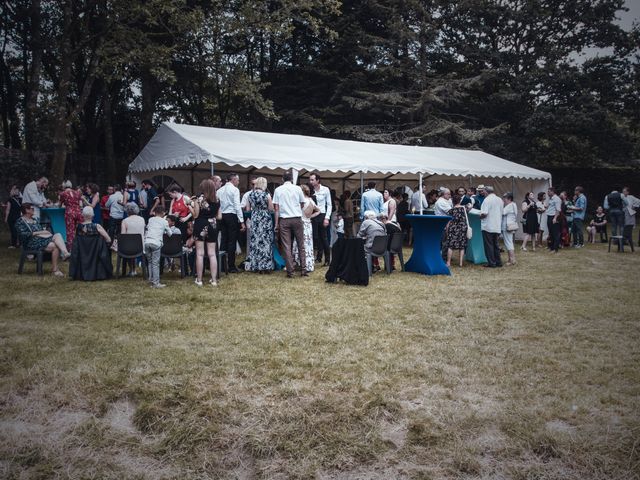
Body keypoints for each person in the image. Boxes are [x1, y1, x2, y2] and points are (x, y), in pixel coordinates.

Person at [15, 203, 70, 276]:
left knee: (58, 235)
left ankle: (65, 253)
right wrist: (38, 232)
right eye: (32, 208)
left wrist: (44, 233)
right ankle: (55, 270)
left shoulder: (34, 220)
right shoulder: (20, 221)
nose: (33, 210)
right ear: (26, 210)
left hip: (41, 240)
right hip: (31, 243)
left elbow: (41, 231)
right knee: (55, 246)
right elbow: (23, 235)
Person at [273, 171, 307, 278]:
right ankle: (303, 270)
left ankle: (290, 271)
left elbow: (276, 209)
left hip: (284, 220)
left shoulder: (278, 190)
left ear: (282, 179)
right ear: (292, 179)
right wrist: (296, 209)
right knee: (301, 245)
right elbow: (302, 203)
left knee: (287, 246)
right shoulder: (297, 189)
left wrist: (276, 223)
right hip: (297, 218)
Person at [192, 178, 221, 287]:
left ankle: (199, 280)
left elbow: (195, 215)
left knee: (200, 253)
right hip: (212, 226)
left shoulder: (199, 199)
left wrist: (191, 205)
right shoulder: (217, 199)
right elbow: (219, 216)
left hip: (200, 225)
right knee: (212, 254)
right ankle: (213, 280)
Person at [217, 173, 245, 273]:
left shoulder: (219, 190)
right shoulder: (234, 190)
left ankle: (221, 265)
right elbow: (237, 205)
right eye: (237, 180)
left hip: (222, 216)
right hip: (231, 215)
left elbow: (218, 205)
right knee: (232, 241)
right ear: (233, 180)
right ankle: (231, 266)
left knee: (223, 240)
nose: (238, 182)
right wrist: (241, 221)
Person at [246, 177, 274, 273]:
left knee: (255, 241)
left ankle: (255, 265)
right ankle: (265, 266)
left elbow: (248, 209)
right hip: (265, 219)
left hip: (255, 219)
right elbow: (271, 209)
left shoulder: (250, 195)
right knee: (266, 242)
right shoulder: (267, 195)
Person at [144, 205, 172, 288]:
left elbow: (148, 228)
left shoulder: (150, 219)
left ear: (154, 212)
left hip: (147, 242)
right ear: (163, 213)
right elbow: (170, 234)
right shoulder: (164, 221)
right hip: (156, 242)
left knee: (150, 262)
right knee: (155, 263)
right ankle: (156, 283)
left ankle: (151, 279)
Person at [294, 184, 319, 273]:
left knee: (298, 243)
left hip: (300, 223)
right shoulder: (311, 201)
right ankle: (307, 264)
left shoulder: (300, 201)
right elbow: (318, 211)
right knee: (307, 244)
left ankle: (298, 263)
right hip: (308, 224)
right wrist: (310, 216)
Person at [308, 173, 332, 265]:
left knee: (324, 238)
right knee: (316, 237)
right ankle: (318, 257)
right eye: (310, 180)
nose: (311, 181)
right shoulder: (310, 190)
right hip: (313, 215)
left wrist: (327, 218)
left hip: (322, 214)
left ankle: (327, 259)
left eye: (312, 180)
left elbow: (329, 204)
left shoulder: (325, 189)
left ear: (317, 180)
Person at [479, 185, 503, 267]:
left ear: (486, 191)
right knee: (495, 245)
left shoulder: (487, 200)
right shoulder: (499, 199)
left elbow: (484, 213)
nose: (483, 192)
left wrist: (479, 216)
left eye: (483, 191)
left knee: (489, 245)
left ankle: (491, 263)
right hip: (497, 225)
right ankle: (498, 262)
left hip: (488, 225)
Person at [121, 203, 146, 276]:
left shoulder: (125, 221)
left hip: (129, 247)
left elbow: (123, 235)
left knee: (128, 246)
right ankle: (133, 269)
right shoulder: (142, 219)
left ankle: (132, 270)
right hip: (141, 246)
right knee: (132, 246)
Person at [58, 180, 83, 250]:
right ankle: (81, 246)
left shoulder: (63, 193)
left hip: (70, 213)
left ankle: (71, 249)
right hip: (78, 212)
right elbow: (80, 204)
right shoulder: (77, 193)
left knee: (70, 232)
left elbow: (59, 205)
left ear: (64, 187)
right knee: (80, 230)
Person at [444, 193, 468, 267]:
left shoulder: (451, 210)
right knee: (462, 246)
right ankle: (460, 263)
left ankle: (448, 262)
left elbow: (448, 222)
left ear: (452, 201)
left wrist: (447, 230)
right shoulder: (464, 209)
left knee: (450, 246)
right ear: (460, 201)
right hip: (463, 228)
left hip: (453, 228)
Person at [501, 192, 518, 266]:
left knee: (508, 242)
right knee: (509, 242)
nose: (503, 200)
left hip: (507, 226)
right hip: (510, 225)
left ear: (509, 199)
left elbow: (502, 212)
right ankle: (510, 259)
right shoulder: (513, 204)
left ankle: (512, 260)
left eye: (505, 198)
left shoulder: (509, 205)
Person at [545, 187, 562, 253]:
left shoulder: (557, 199)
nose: (547, 193)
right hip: (549, 216)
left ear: (552, 192)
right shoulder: (550, 199)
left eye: (548, 191)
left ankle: (555, 249)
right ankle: (551, 247)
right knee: (551, 233)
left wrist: (555, 218)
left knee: (555, 233)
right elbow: (550, 207)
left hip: (554, 217)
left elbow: (558, 210)